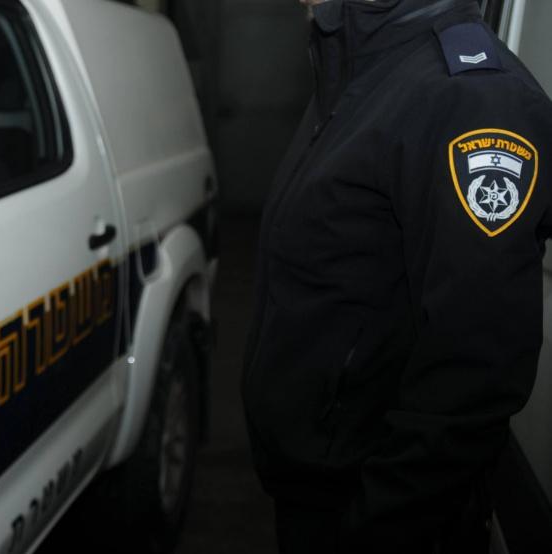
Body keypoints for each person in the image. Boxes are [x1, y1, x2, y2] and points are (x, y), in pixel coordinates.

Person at [240, 0, 552, 552]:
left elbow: (473, 376)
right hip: (315, 487)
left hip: (373, 511)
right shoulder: (362, 64)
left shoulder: (471, 99)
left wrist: (380, 526)